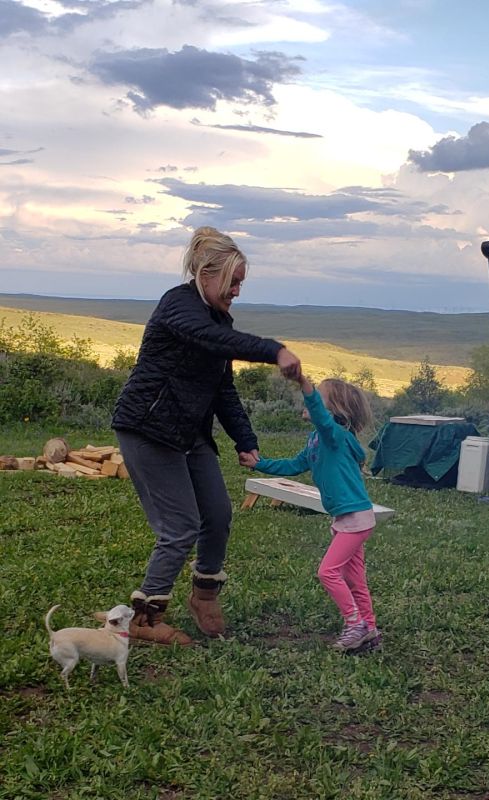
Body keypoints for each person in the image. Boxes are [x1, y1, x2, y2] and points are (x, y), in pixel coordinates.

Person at [111, 226, 301, 645]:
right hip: (148, 428)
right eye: (232, 281)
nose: (236, 291)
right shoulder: (178, 306)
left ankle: (204, 596)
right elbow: (212, 339)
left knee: (217, 514)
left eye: (241, 283)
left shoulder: (218, 318)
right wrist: (274, 350)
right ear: (205, 273)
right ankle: (145, 619)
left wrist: (244, 439)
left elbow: (222, 388)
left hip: (189, 431)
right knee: (180, 526)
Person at [241, 374, 381, 654]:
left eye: (319, 395)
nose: (310, 400)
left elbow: (319, 415)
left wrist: (304, 384)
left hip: (355, 518)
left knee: (328, 572)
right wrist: (258, 464)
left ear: (333, 410)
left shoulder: (334, 436)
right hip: (346, 518)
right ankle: (370, 630)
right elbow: (293, 465)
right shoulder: (316, 440)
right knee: (355, 580)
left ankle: (355, 624)